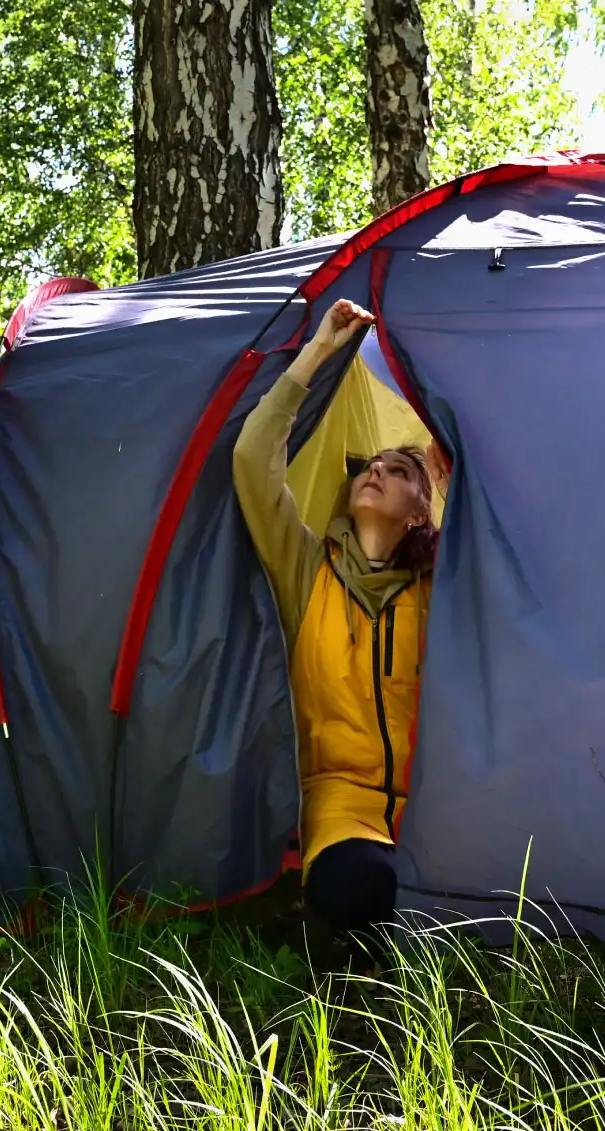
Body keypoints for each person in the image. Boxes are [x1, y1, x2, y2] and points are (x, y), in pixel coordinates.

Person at [232, 298, 448, 961]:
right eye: (370, 466)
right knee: (360, 889)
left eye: (401, 470)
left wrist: (459, 473)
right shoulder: (306, 570)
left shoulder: (448, 587)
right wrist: (318, 350)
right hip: (340, 801)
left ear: (422, 511)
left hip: (443, 801)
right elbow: (253, 458)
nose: (377, 471)